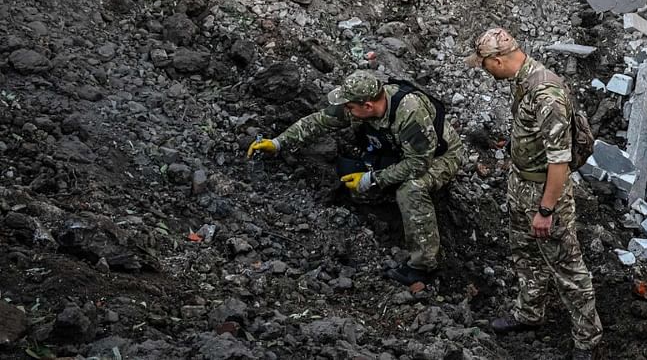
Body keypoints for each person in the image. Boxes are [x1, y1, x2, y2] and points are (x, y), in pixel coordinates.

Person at [246, 70, 463, 285]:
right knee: (358, 170)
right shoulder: (359, 107)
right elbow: (320, 121)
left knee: (411, 189)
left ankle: (422, 266)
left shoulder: (410, 113)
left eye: (349, 107)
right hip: (401, 151)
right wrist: (278, 143)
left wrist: (372, 178)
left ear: (367, 106)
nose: (346, 111)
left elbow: (418, 164)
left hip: (440, 156)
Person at [467, 28, 602, 360]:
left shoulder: (546, 93)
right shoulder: (521, 80)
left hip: (545, 191)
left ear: (497, 60)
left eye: (485, 66)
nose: (485, 71)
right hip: (521, 184)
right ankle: (529, 314)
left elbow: (560, 161)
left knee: (567, 266)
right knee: (524, 253)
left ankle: (588, 340)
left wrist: (546, 210)